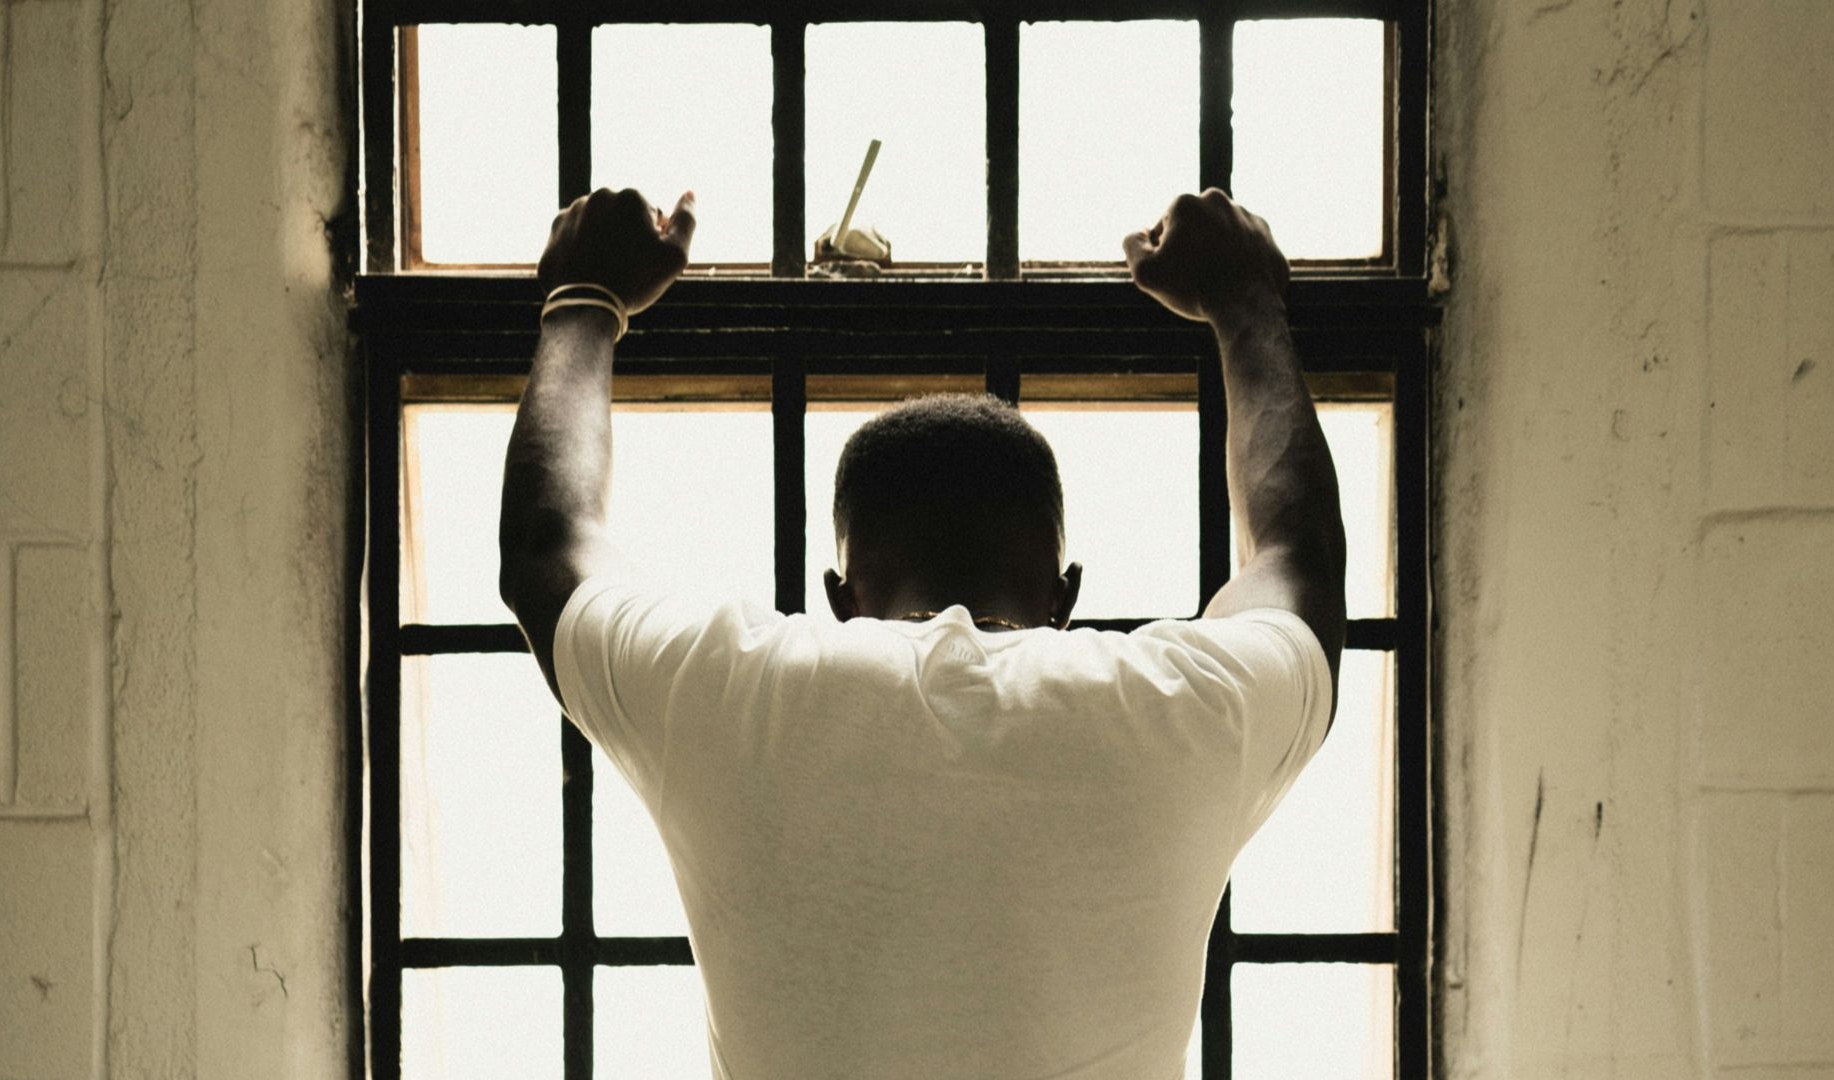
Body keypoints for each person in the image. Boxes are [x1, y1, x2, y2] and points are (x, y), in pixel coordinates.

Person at [498, 186, 1346, 1079]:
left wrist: (585, 297)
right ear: (1065, 597)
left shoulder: (734, 688)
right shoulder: (1179, 705)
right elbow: (1299, 558)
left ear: (839, 596)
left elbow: (549, 546)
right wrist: (1246, 301)